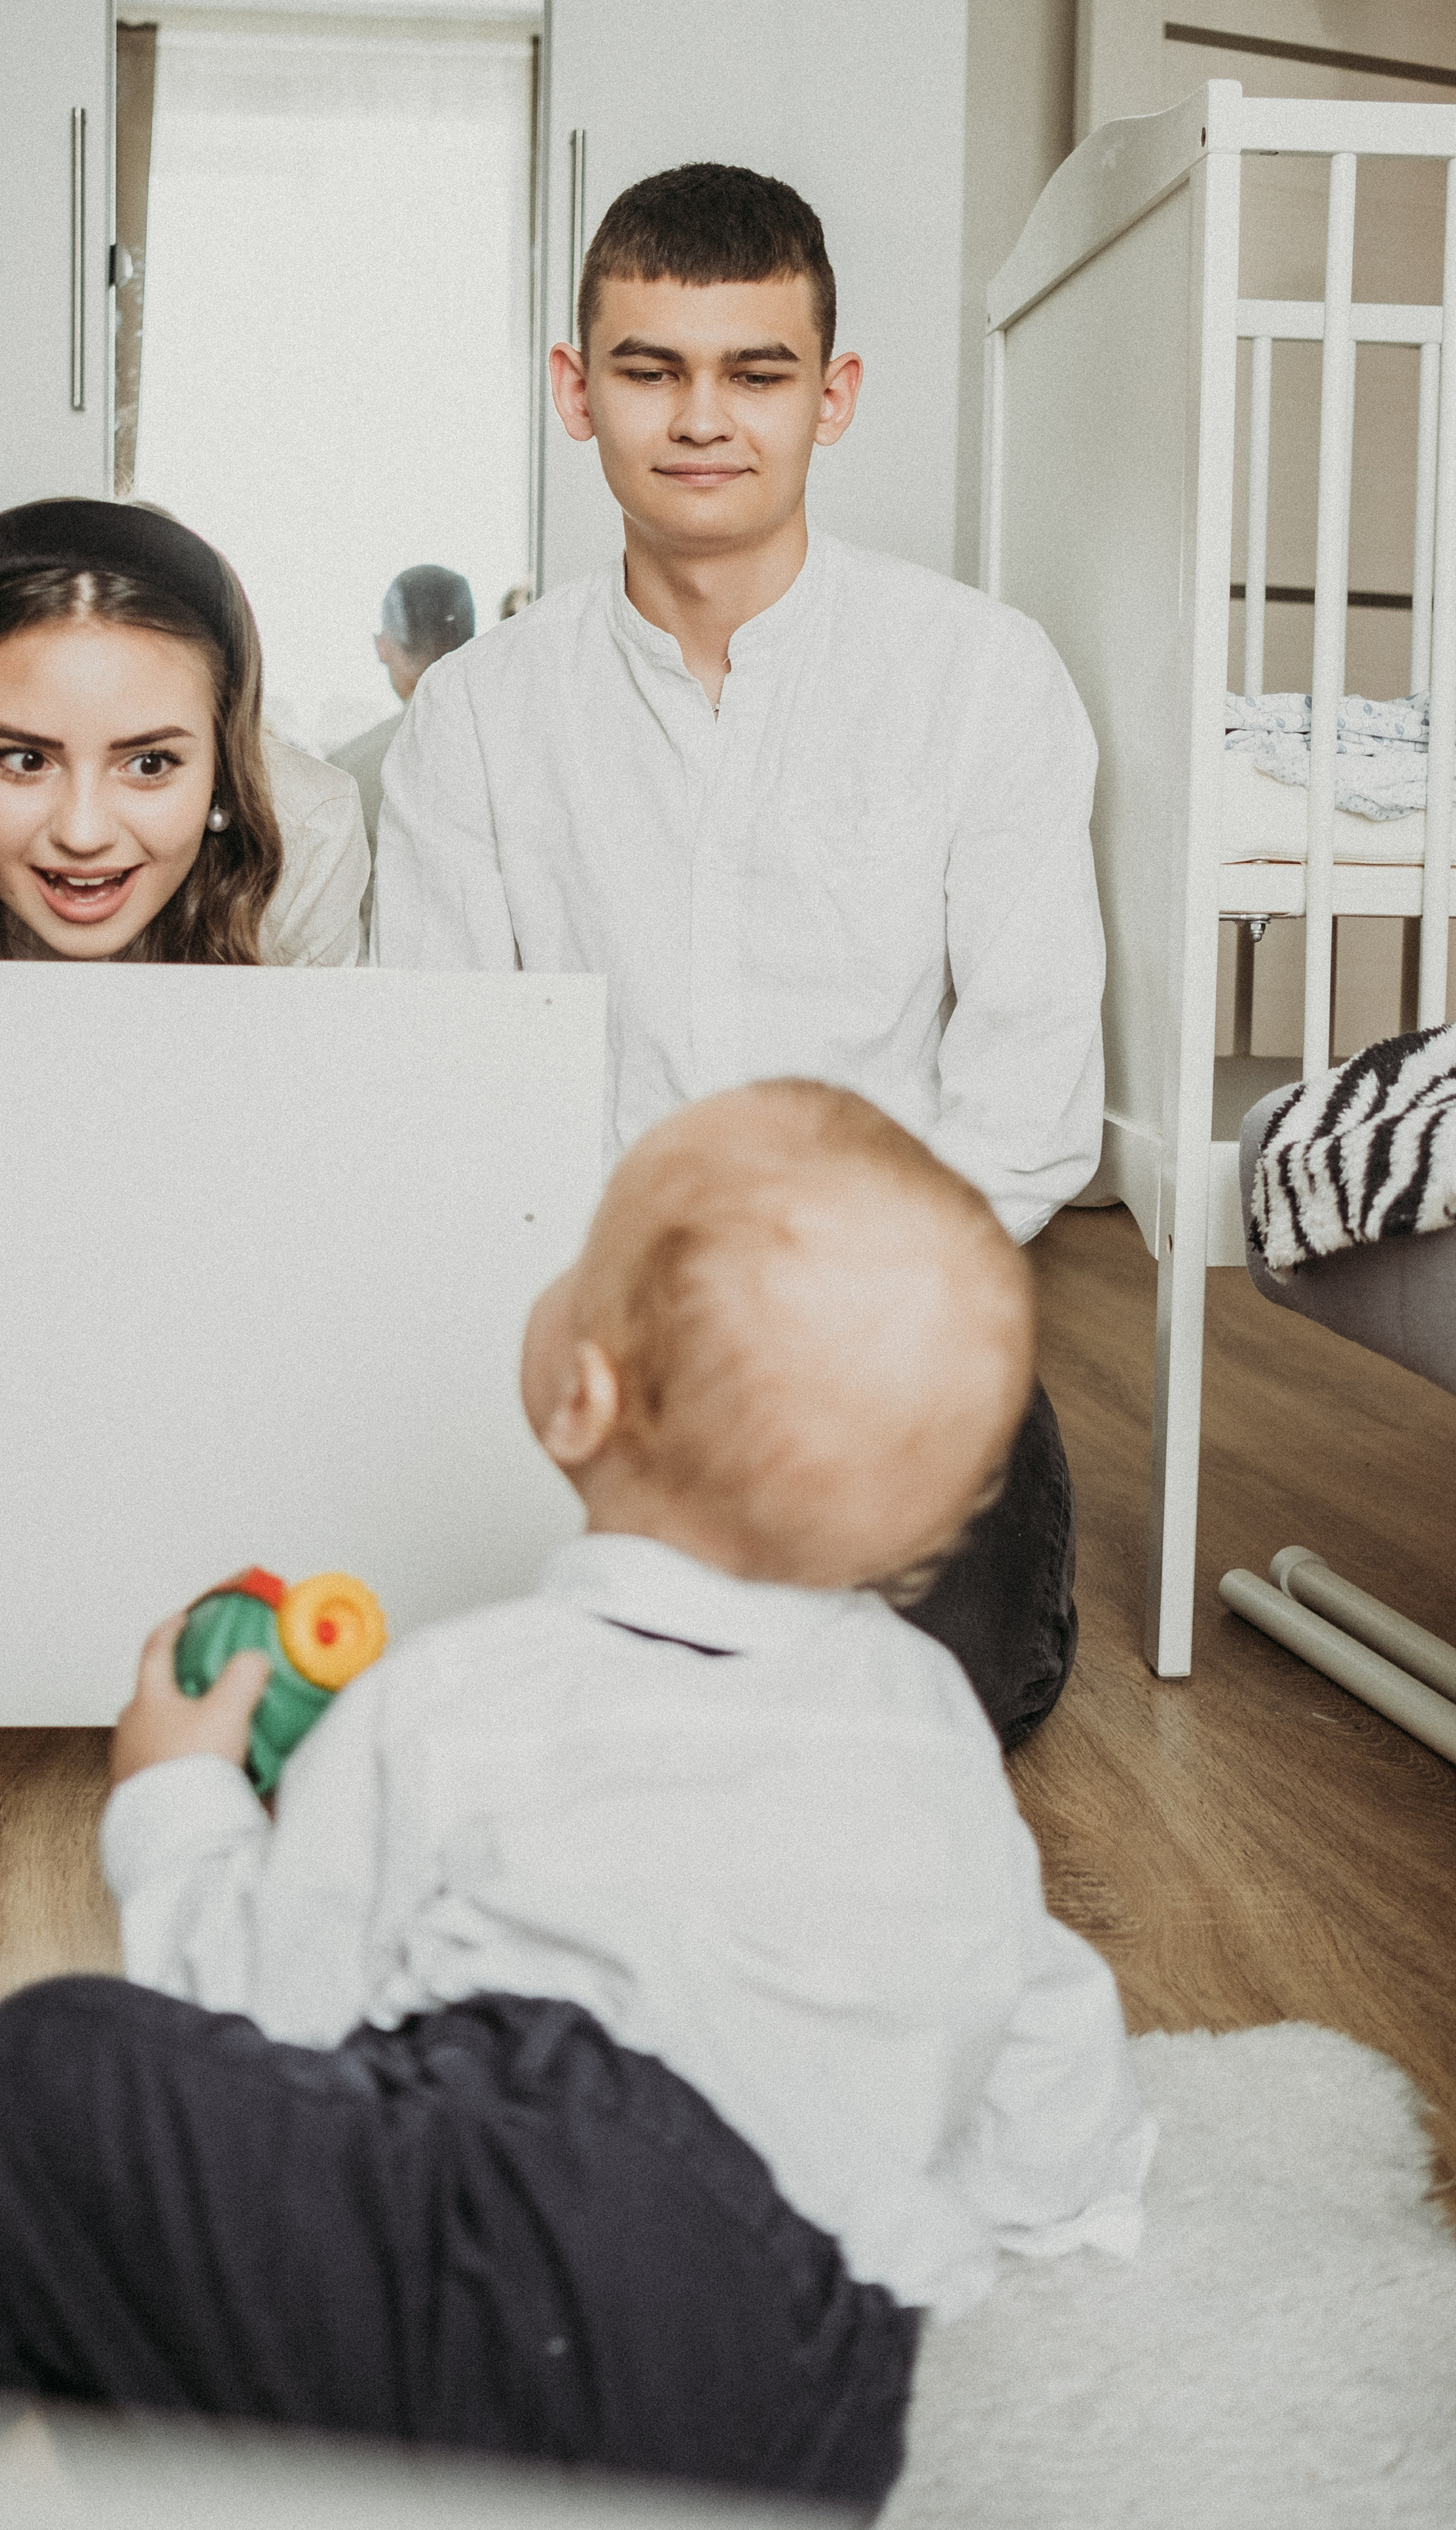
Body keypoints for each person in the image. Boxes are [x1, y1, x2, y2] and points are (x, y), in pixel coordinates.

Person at [0, 1081, 1152, 2499]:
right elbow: (1039, 2015)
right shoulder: (929, 1729)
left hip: (494, 2297)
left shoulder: (464, 1694)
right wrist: (1048, 2207)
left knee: (37, 2083)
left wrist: (176, 1797)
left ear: (580, 1395)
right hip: (806, 2416)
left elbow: (262, 2002)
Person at [374, 165, 1105, 1747]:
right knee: (501, 1691)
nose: (701, 417)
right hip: (597, 1325)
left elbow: (1031, 1092)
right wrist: (615, 1346)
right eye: (650, 370)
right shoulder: (476, 717)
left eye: (753, 373)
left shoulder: (980, 679)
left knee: (928, 1705)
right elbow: (442, 1079)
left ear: (828, 397)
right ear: (577, 391)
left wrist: (843, 1326)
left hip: (887, 1327)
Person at [0, 498, 367, 964]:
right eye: (24, 760)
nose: (82, 835)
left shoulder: (309, 841)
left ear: (223, 767)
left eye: (150, 764)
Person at [328, 565, 475, 948]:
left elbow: (342, 928)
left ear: (384, 645)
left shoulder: (348, 772)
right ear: (471, 640)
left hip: (395, 989)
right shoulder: (524, 753)